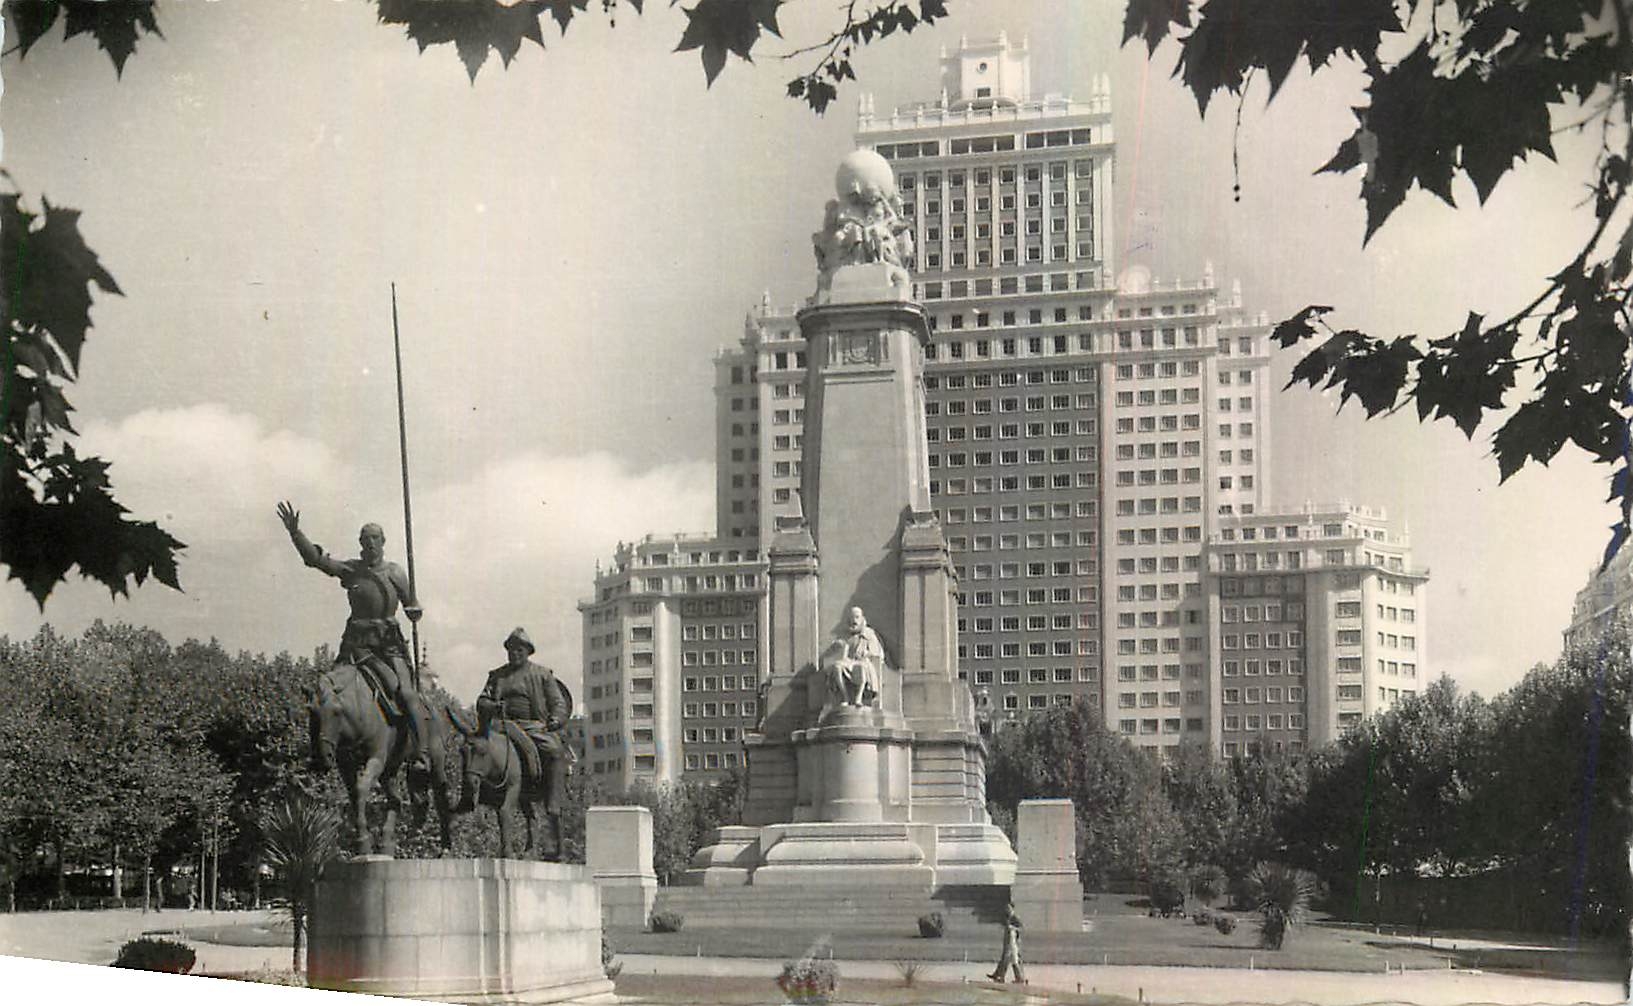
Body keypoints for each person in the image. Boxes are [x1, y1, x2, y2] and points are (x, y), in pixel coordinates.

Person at [276, 501, 437, 770]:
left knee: (407, 693)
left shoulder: (395, 572)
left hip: (388, 646)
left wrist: (414, 611)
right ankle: (320, 751)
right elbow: (316, 560)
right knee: (327, 691)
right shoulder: (352, 570)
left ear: (383, 542)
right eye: (365, 539)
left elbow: (412, 603)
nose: (370, 543)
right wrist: (296, 534)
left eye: (375, 538)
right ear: (360, 543)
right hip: (356, 645)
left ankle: (421, 753)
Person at [470, 627, 569, 859]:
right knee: (474, 749)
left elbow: (559, 703)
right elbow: (482, 700)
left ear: (527, 652)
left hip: (533, 726)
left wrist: (555, 719)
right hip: (501, 726)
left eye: (519, 649)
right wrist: (491, 707)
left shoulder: (543, 675)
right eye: (511, 649)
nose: (514, 653)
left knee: (554, 751)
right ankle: (472, 794)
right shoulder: (496, 676)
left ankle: (553, 802)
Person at [822, 606, 885, 707]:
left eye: (857, 617)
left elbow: (878, 653)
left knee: (861, 668)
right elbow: (841, 654)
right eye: (852, 618)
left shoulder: (869, 634)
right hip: (849, 662)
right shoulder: (846, 636)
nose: (854, 621)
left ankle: (858, 698)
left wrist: (868, 653)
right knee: (837, 667)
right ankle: (845, 697)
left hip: (863, 662)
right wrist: (839, 647)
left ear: (862, 619)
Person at [988, 902, 1025, 984]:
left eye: (1009, 908)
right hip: (1008, 941)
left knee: (1009, 960)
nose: (1007, 910)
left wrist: (1012, 928)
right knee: (1007, 961)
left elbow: (1021, 928)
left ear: (1012, 908)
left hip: (1013, 942)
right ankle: (1002, 977)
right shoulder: (1007, 917)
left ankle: (1004, 977)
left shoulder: (1015, 918)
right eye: (1007, 908)